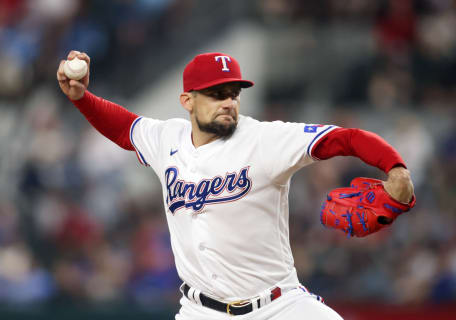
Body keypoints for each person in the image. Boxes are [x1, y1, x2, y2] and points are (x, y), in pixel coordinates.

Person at [57, 50, 415, 319]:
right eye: (216, 94)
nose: (228, 102)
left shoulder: (264, 139)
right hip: (201, 311)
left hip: (278, 307)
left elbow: (345, 138)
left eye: (233, 93)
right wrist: (81, 98)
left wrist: (396, 170)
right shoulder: (167, 138)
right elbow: (124, 128)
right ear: (187, 101)